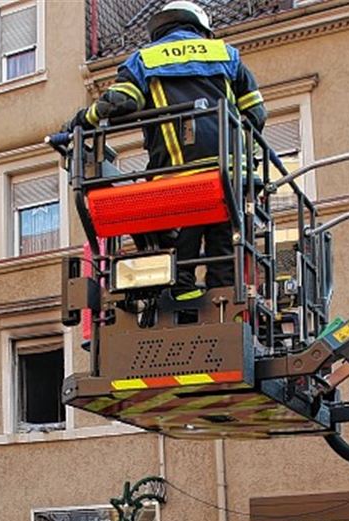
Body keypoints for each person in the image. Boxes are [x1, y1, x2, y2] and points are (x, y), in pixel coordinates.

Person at [66, 0, 266, 301]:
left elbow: (120, 103)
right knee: (225, 245)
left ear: (157, 28)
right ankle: (224, 305)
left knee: (177, 230)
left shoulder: (144, 59)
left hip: (175, 175)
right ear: (201, 28)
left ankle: (181, 289)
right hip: (230, 174)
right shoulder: (228, 55)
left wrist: (83, 120)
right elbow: (257, 114)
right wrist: (243, 157)